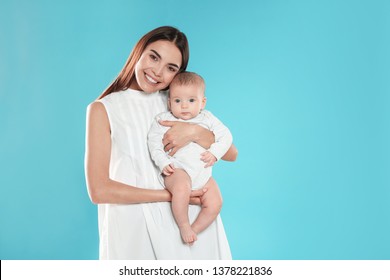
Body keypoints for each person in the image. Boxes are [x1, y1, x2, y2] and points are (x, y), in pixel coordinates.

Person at [84, 26, 238, 260]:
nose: (157, 71)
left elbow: (231, 153)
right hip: (135, 228)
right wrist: (177, 194)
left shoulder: (176, 102)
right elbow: (99, 190)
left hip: (192, 229)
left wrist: (194, 132)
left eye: (171, 68)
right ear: (139, 51)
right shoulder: (103, 109)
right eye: (153, 57)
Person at [148, 72, 233, 245]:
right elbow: (153, 143)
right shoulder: (164, 119)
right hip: (178, 169)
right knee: (181, 187)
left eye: (191, 100)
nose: (184, 106)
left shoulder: (208, 119)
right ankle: (184, 225)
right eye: (177, 101)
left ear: (202, 102)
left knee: (216, 202)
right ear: (169, 102)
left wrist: (215, 153)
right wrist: (163, 162)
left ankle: (195, 230)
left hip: (203, 174)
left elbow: (226, 136)